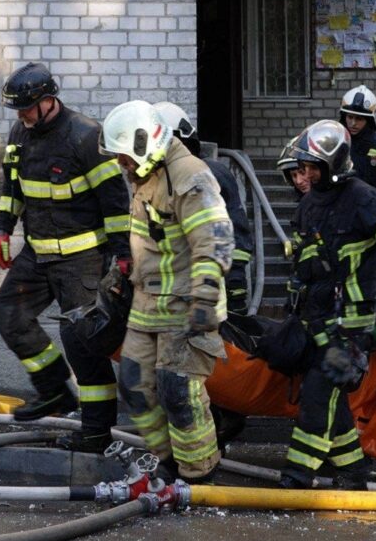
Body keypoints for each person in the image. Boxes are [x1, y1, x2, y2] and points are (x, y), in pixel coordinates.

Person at [0, 63, 131, 453]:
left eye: (26, 108)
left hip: (83, 260)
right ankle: (54, 389)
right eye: (17, 110)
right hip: (37, 254)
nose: (21, 116)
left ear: (49, 100)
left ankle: (96, 432)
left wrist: (122, 254)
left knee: (83, 346)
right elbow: (12, 185)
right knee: (8, 313)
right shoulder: (21, 132)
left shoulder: (86, 136)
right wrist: (3, 228)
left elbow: (116, 201)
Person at [280, 119, 376, 490]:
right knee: (332, 400)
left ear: (332, 166)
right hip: (315, 322)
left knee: (318, 395)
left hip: (349, 326)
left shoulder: (362, 198)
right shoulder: (308, 206)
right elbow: (303, 266)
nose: (306, 175)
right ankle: (354, 470)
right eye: (303, 168)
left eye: (312, 167)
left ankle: (296, 476)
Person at [100, 100, 235, 484]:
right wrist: (120, 276)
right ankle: (169, 461)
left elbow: (215, 238)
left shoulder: (189, 176)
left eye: (124, 156)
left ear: (144, 144)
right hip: (148, 304)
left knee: (179, 391)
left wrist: (206, 296)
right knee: (135, 385)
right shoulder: (146, 176)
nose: (121, 165)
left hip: (187, 304)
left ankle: (198, 475)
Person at [152, 102, 252, 449]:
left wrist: (229, 286)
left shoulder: (206, 173)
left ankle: (223, 428)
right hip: (191, 290)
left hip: (221, 285)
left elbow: (229, 237)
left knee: (219, 363)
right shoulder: (168, 179)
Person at [339, 85, 376, 189]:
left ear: (369, 121)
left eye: (359, 119)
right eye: (350, 117)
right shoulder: (336, 142)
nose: (353, 123)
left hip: (371, 202)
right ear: (344, 116)